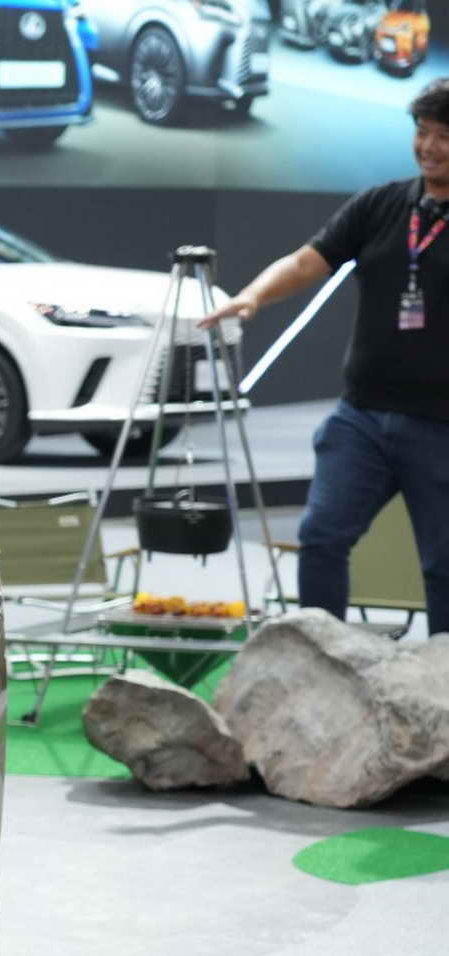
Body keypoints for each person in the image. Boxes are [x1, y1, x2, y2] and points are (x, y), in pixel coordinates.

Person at [201, 79, 449, 637]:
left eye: (444, 136)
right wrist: (253, 296)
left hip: (442, 426)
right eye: (422, 132)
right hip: (362, 417)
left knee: (444, 565)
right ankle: (321, 658)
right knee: (321, 536)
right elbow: (307, 261)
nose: (429, 147)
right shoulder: (382, 204)